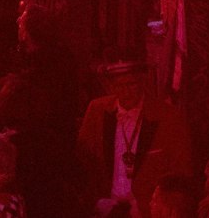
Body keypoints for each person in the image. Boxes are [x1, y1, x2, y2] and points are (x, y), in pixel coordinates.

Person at [76, 60, 192, 218]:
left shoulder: (167, 116)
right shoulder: (97, 110)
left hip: (146, 211)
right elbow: (82, 160)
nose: (126, 92)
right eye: (119, 86)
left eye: (131, 84)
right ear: (111, 87)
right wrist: (95, 201)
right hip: (106, 209)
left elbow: (180, 170)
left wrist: (147, 206)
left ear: (142, 82)